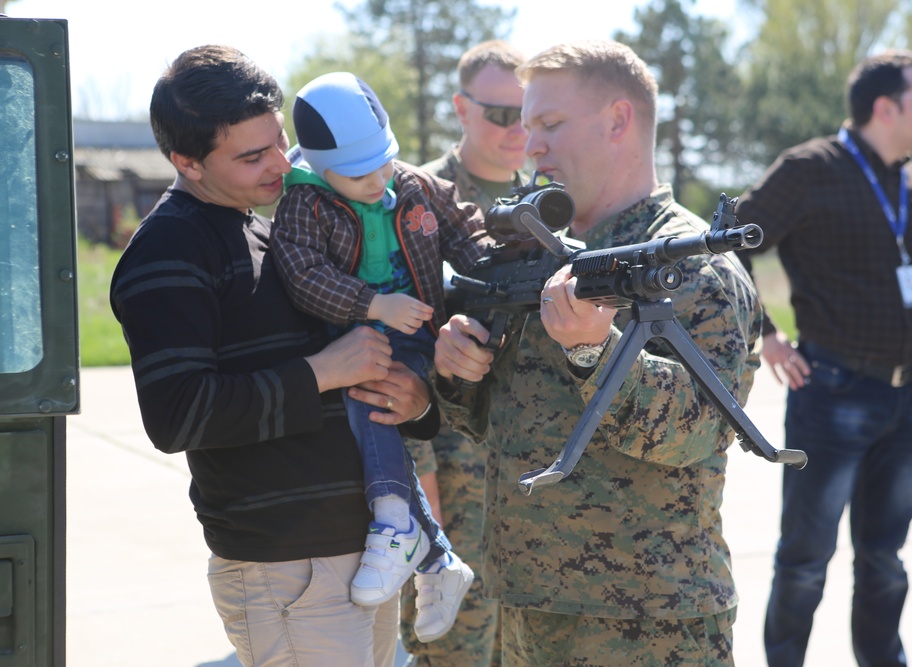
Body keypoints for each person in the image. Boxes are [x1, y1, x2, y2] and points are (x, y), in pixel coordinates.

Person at [433, 39, 762, 666]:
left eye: (551, 124)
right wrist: (458, 372)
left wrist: (594, 350)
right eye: (528, 126)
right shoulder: (541, 255)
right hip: (528, 605)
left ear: (618, 120)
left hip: (648, 622)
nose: (531, 146)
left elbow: (698, 430)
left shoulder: (693, 265)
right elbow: (505, 420)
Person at [110, 45, 439, 667]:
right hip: (287, 567)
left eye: (280, 141)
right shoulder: (169, 247)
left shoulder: (270, 229)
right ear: (186, 162)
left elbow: (356, 369)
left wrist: (416, 400)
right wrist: (325, 371)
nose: (281, 164)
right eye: (252, 156)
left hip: (360, 553)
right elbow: (177, 415)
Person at [733, 49, 912, 667]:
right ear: (885, 108)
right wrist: (765, 332)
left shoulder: (911, 178)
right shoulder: (809, 168)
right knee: (805, 560)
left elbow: (907, 255)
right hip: (834, 393)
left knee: (884, 560)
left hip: (910, 396)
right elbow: (729, 245)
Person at [270, 71, 485, 643]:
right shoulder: (304, 203)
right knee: (371, 405)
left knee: (376, 400)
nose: (376, 180)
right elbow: (302, 275)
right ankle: (427, 551)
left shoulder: (413, 186)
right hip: (352, 334)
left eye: (383, 162)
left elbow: (468, 231)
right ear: (320, 165)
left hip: (414, 334)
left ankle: (402, 529)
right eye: (357, 172)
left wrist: (500, 266)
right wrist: (372, 304)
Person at [400, 39, 528, 667]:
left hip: (531, 476)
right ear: (461, 108)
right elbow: (395, 358)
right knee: (454, 650)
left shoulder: (551, 204)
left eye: (529, 114)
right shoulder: (415, 202)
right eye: (501, 114)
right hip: (452, 472)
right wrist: (420, 484)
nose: (517, 130)